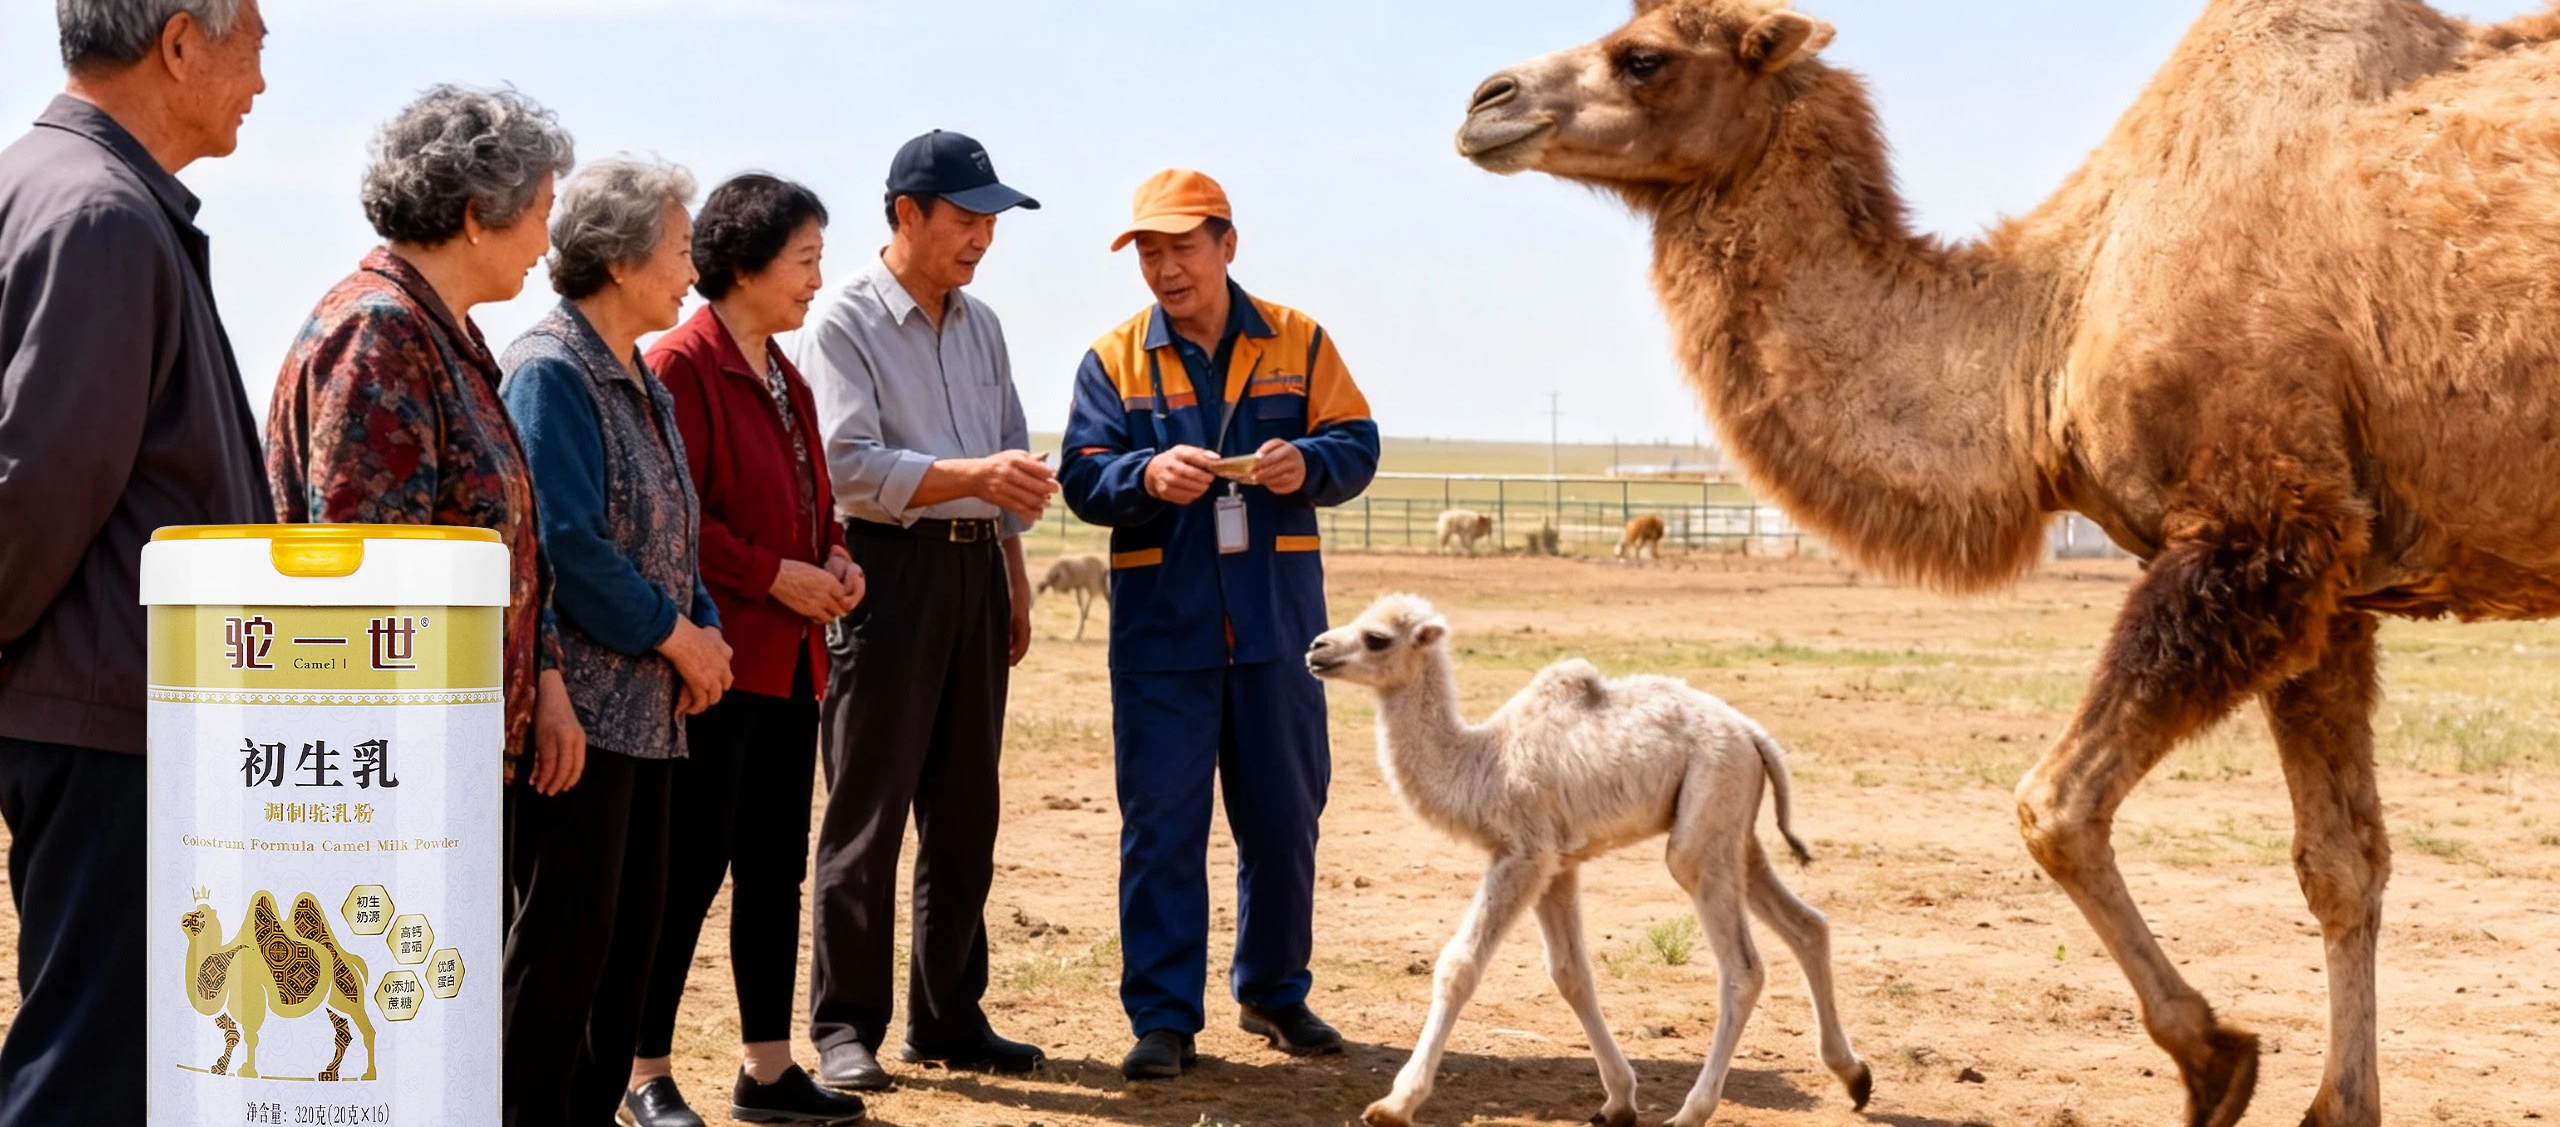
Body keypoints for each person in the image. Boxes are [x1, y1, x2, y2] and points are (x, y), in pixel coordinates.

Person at [0, 3, 267, 1121]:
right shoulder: (103, 213)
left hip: (95, 703)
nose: (262, 79)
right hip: (111, 717)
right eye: (255, 40)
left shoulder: (59, 186)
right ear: (178, 42)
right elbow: (37, 484)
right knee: (91, 1068)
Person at [1058, 169, 1381, 1080]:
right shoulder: (1113, 359)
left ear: (1226, 245)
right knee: (1161, 826)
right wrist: (1143, 478)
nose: (1165, 268)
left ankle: (1274, 992)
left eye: (1181, 248)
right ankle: (1163, 1016)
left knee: (1284, 817)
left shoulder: (1300, 339)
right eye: (1148, 252)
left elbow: (1357, 442)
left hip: (1278, 630)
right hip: (1164, 636)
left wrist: (1304, 462)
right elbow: (1082, 474)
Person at [794, 130, 1055, 1091]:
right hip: (885, 573)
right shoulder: (844, 321)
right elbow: (850, 467)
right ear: (906, 214)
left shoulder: (982, 326)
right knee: (868, 806)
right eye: (967, 218)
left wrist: (1013, 575)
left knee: (965, 807)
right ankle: (844, 1025)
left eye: (992, 221)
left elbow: (1011, 455)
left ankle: (949, 1015)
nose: (982, 237)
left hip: (977, 573)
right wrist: (973, 477)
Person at [623, 173, 868, 1127]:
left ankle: (767, 1070)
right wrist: (774, 574)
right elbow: (677, 518)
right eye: (805, 259)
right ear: (747, 264)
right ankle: (643, 1068)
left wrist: (836, 556)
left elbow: (820, 500)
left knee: (774, 865)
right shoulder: (681, 366)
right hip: (715, 668)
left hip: (794, 664)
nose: (818, 278)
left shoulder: (787, 374)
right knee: (687, 871)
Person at [497, 156, 734, 1127]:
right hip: (578, 728)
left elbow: (675, 527)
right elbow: (569, 548)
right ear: (623, 255)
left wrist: (703, 629)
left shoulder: (640, 375)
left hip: (651, 721)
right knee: (560, 959)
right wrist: (680, 636)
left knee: (621, 961)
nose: (691, 268)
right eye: (679, 249)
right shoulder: (551, 370)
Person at [266, 84, 583, 793]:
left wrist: (545, 676)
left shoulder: (445, 335)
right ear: (478, 216)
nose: (544, 242)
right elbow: (366, 580)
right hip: (399, 765)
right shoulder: (379, 334)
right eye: (540, 215)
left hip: (456, 744)